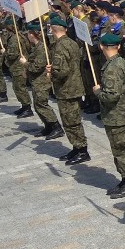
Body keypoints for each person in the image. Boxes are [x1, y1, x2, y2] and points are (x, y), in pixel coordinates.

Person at [94, 33, 125, 197]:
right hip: (122, 113)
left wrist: (98, 92)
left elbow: (111, 95)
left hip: (117, 115)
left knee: (122, 149)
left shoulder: (112, 67)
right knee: (122, 149)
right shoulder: (121, 62)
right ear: (118, 46)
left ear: (101, 47)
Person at [47, 15, 90, 165]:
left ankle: (82, 149)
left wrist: (51, 73)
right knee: (72, 120)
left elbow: (62, 70)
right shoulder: (71, 42)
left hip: (67, 89)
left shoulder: (60, 46)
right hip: (74, 86)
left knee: (71, 121)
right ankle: (77, 147)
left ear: (53, 29)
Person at [22, 22, 64, 139]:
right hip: (36, 81)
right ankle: (48, 125)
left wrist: (25, 64)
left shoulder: (42, 48)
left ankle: (56, 127)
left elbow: (36, 67)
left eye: (29, 34)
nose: (27, 36)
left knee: (41, 104)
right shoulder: (36, 47)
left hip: (42, 81)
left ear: (33, 34)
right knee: (37, 104)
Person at [3, 18, 32, 117]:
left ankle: (27, 108)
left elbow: (12, 54)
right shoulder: (21, 36)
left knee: (20, 88)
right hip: (19, 66)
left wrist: (5, 52)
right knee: (18, 87)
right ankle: (24, 106)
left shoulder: (14, 39)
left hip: (18, 66)